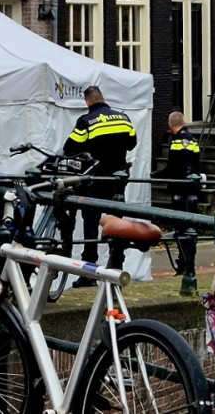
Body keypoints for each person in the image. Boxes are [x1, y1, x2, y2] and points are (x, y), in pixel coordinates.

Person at [63, 86, 137, 285]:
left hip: (94, 180)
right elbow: (132, 143)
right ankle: (116, 269)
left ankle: (89, 273)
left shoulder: (86, 121)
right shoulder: (123, 118)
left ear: (88, 102)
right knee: (116, 225)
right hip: (117, 182)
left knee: (90, 224)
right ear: (103, 98)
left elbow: (69, 148)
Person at [155, 110, 201, 207]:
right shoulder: (192, 138)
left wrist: (157, 175)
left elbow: (175, 165)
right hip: (192, 184)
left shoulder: (178, 140)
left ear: (170, 124)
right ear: (183, 123)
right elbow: (195, 162)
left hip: (181, 185)